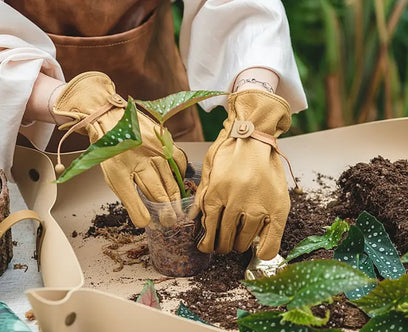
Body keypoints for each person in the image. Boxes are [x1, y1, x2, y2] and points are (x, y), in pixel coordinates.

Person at [0, 0, 307, 260]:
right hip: (27, 124)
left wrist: (255, 112)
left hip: (162, 109)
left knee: (181, 179)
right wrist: (71, 101)